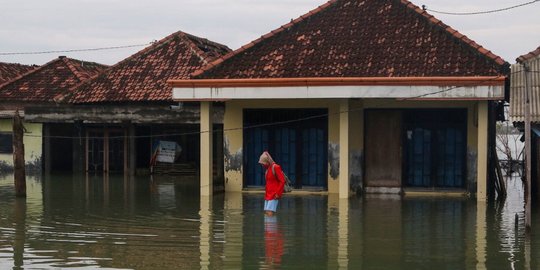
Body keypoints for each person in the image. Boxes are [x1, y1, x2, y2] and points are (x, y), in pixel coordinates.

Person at [258, 151, 285, 216]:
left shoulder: (275, 167)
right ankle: (269, 226)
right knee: (267, 213)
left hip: (274, 194)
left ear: (267, 162)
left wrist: (278, 193)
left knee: (269, 213)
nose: (262, 165)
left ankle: (272, 226)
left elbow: (282, 181)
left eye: (263, 163)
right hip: (268, 194)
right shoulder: (267, 169)